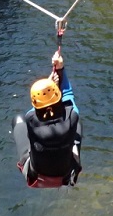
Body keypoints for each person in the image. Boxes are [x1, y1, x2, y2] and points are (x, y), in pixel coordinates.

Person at [12, 50, 83, 188]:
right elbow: (68, 94)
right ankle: (73, 171)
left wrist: (49, 83)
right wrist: (60, 70)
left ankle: (29, 162)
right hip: (66, 172)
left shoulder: (30, 120)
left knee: (17, 120)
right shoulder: (72, 117)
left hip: (36, 172)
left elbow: (39, 110)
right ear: (58, 96)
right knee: (78, 125)